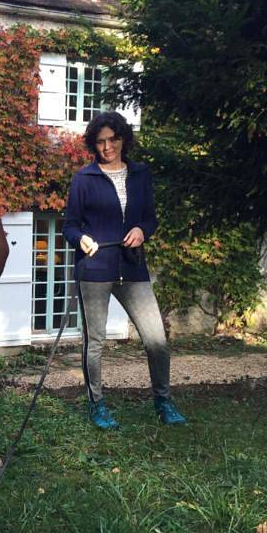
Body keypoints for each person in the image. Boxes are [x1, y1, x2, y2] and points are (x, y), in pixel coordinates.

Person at [63, 111, 187, 429]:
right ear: (94, 144)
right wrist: (82, 239)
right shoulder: (84, 179)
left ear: (123, 139)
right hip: (95, 268)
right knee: (96, 342)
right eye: (101, 142)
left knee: (156, 338)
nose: (107, 147)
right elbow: (70, 227)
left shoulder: (140, 174)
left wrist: (143, 231)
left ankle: (163, 401)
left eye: (113, 140)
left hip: (133, 268)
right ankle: (97, 405)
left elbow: (150, 218)